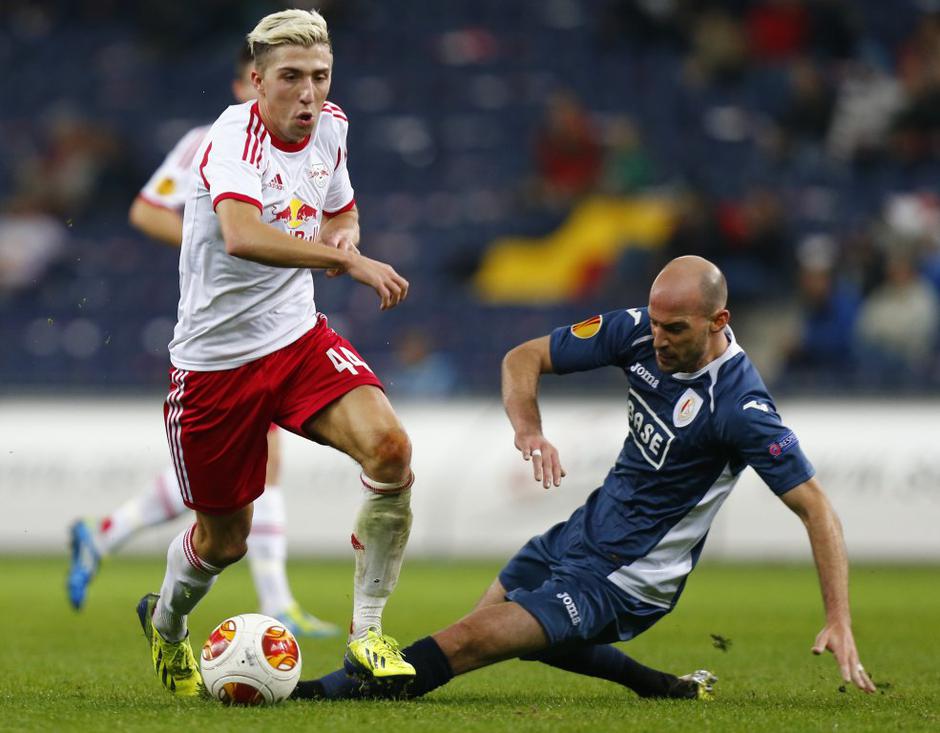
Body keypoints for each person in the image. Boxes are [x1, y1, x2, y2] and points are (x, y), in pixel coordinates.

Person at [292, 255, 876, 702]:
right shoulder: (638, 331)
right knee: (498, 630)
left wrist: (839, 619)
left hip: (630, 578)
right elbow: (523, 358)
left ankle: (317, 693)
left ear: (719, 321)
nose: (660, 339)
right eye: (656, 324)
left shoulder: (740, 408)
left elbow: (817, 509)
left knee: (472, 641)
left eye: (675, 329)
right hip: (582, 534)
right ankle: (664, 689)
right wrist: (529, 430)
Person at [135, 9, 415, 697]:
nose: (308, 95)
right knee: (224, 541)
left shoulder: (334, 127)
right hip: (215, 365)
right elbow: (241, 234)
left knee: (390, 449)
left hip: (296, 340)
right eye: (290, 78)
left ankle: (368, 634)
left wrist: (344, 238)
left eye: (320, 77)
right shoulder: (232, 136)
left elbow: (342, 209)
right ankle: (167, 623)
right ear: (256, 81)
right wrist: (347, 263)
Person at [66, 43, 338, 640]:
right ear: (250, 84)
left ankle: (109, 533)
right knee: (243, 472)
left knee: (249, 469)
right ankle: (276, 601)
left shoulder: (302, 143)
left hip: (271, 322)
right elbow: (145, 210)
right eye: (270, 79)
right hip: (217, 320)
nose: (296, 93)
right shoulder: (207, 141)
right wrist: (207, 236)